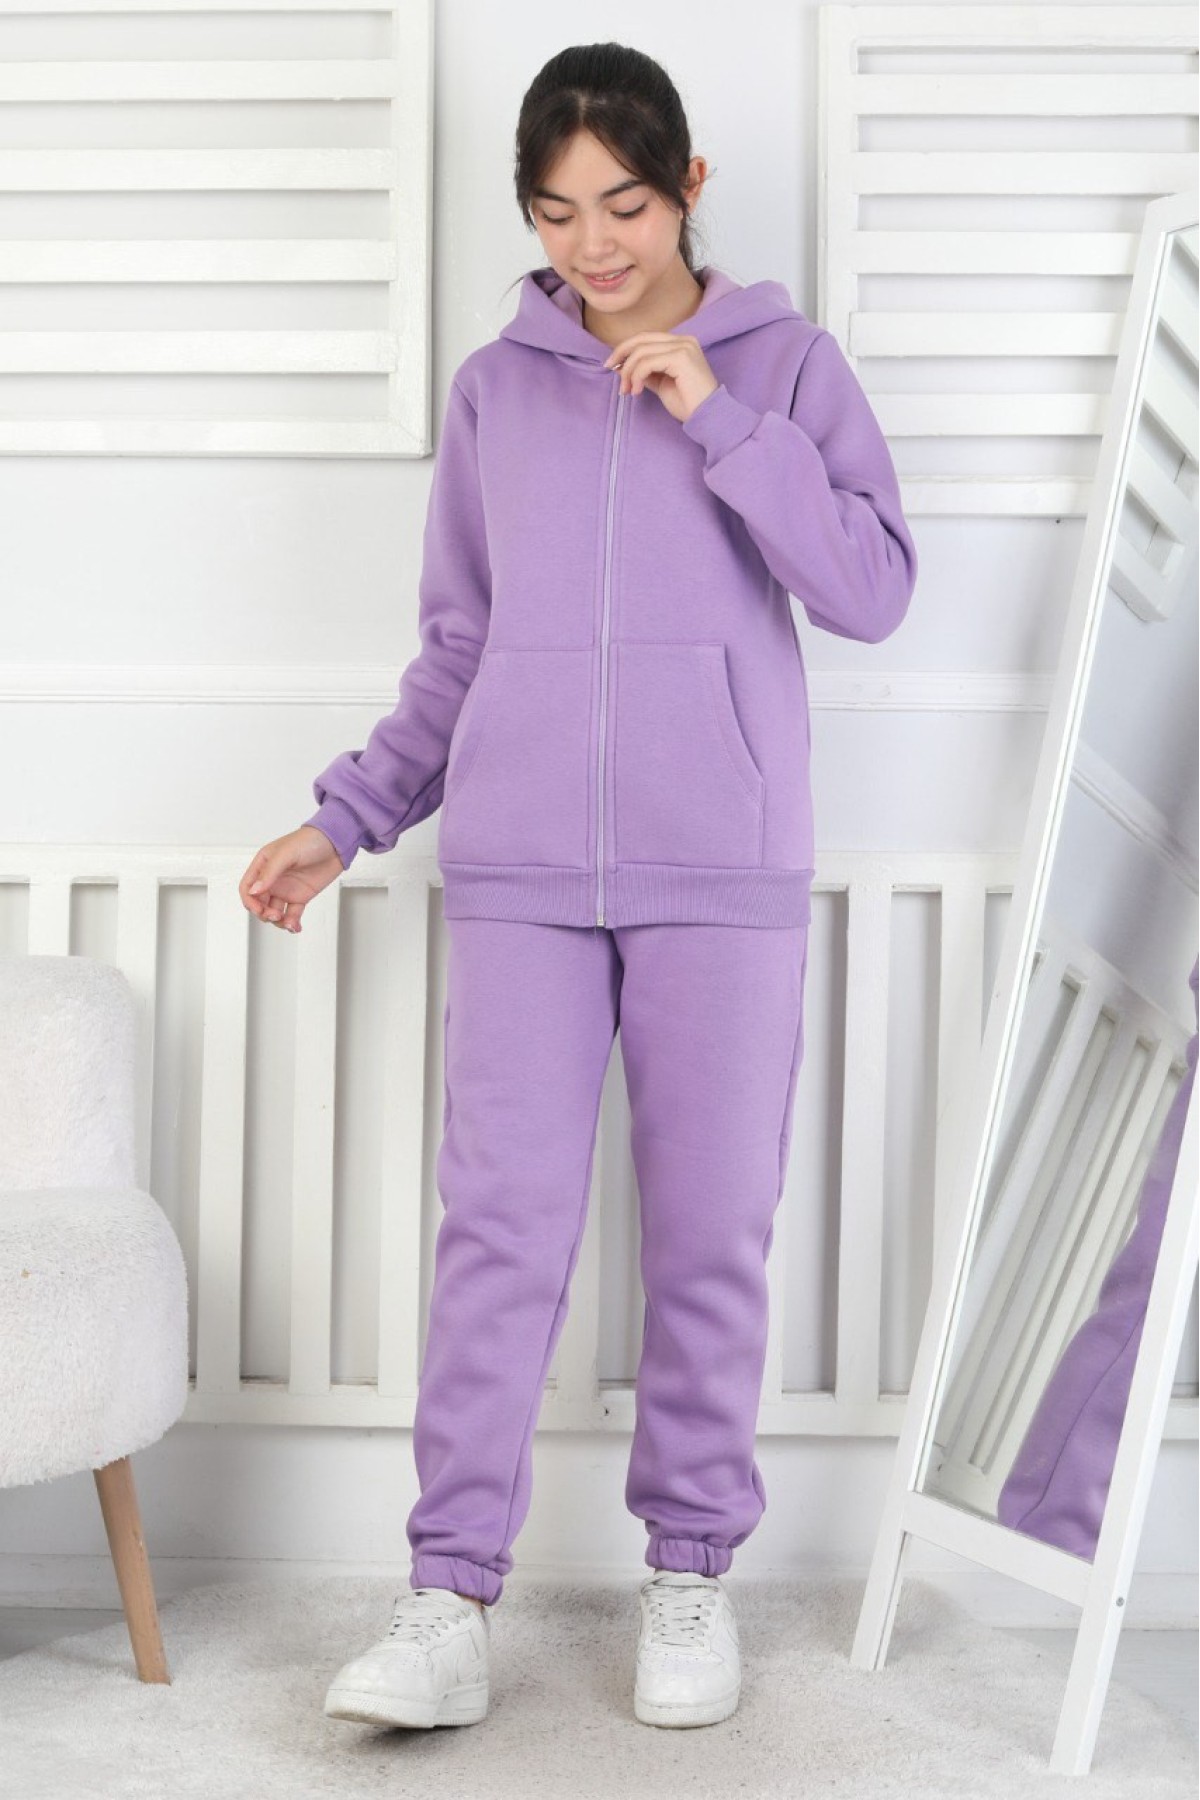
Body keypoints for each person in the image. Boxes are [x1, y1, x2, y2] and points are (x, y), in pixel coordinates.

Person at [239, 41, 917, 1733]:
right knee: (498, 1235)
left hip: (722, 865)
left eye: (624, 203)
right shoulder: (498, 390)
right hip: (524, 868)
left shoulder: (788, 366)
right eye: (556, 211)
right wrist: (351, 815)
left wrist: (722, 421)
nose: (593, 244)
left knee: (712, 1233)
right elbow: (460, 644)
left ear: (690, 188)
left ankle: (689, 1574)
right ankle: (448, 1598)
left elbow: (873, 587)